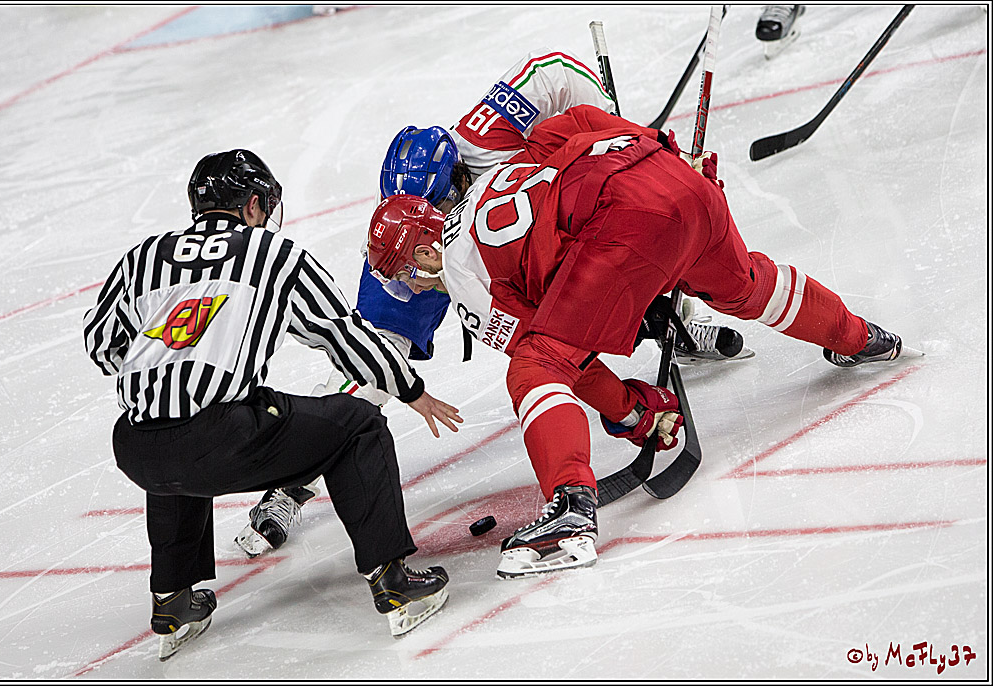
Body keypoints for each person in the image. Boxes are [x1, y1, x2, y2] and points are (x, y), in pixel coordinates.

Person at [235, 49, 749, 557]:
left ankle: (685, 316)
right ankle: (291, 487)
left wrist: (628, 135)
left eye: (436, 202)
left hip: (551, 234)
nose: (429, 212)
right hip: (455, 269)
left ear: (458, 174)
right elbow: (370, 359)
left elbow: (554, 70)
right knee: (380, 361)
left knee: (642, 223)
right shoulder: (404, 247)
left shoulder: (488, 133)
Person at [365, 104, 907, 578]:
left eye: (403, 275)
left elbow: (560, 360)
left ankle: (571, 512)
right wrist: (671, 154)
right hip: (674, 178)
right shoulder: (510, 159)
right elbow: (585, 124)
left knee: (532, 369)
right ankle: (861, 337)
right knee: (745, 285)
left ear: (425, 252)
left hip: (626, 229)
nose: (411, 288)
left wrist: (635, 413)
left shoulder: (461, 273)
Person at [82, 149, 462, 659]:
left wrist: (172, 360)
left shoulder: (144, 256)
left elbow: (101, 345)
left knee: (167, 417)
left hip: (135, 449)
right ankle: (393, 580)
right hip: (223, 440)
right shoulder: (274, 254)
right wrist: (411, 390)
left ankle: (172, 601)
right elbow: (343, 337)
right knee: (358, 424)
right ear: (255, 205)